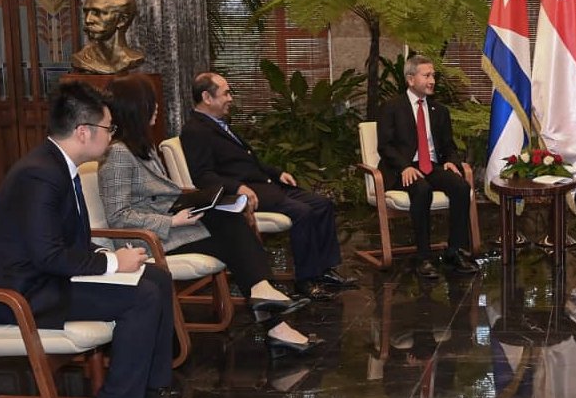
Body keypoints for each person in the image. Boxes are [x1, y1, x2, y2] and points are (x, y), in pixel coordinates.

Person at [0, 82, 188, 398]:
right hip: (22, 291)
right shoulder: (39, 173)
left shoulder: (57, 166)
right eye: (108, 128)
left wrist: (114, 261)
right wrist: (113, 261)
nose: (112, 136)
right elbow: (48, 256)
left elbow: (65, 244)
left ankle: (149, 391)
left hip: (46, 278)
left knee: (157, 277)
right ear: (84, 131)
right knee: (142, 296)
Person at [98, 74, 323, 357]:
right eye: (151, 103)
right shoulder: (118, 154)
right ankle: (269, 306)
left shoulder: (142, 147)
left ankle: (267, 302)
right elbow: (118, 216)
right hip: (146, 241)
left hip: (169, 226)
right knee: (232, 228)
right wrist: (172, 221)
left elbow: (161, 194)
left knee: (232, 217)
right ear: (135, 108)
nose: (157, 108)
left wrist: (202, 200)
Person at [180, 72, 353, 297]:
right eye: (226, 93)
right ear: (207, 97)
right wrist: (237, 188)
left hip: (266, 185)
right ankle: (306, 280)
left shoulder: (221, 123)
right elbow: (202, 176)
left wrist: (277, 172)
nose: (230, 98)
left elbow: (250, 160)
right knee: (303, 212)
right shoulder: (195, 131)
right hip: (247, 195)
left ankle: (325, 269)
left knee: (323, 204)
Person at [376, 54, 479, 279]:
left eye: (433, 75)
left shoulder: (439, 111)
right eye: (427, 75)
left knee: (462, 187)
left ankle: (454, 252)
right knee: (421, 190)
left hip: (431, 165)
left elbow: (449, 146)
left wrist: (451, 161)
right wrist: (404, 166)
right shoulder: (392, 107)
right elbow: (385, 146)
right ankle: (423, 257)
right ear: (411, 79)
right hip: (403, 169)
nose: (432, 80)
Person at [71, 0, 145, 74]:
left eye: (98, 13)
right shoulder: (82, 59)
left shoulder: (131, 59)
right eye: (86, 12)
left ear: (122, 20)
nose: (88, 20)